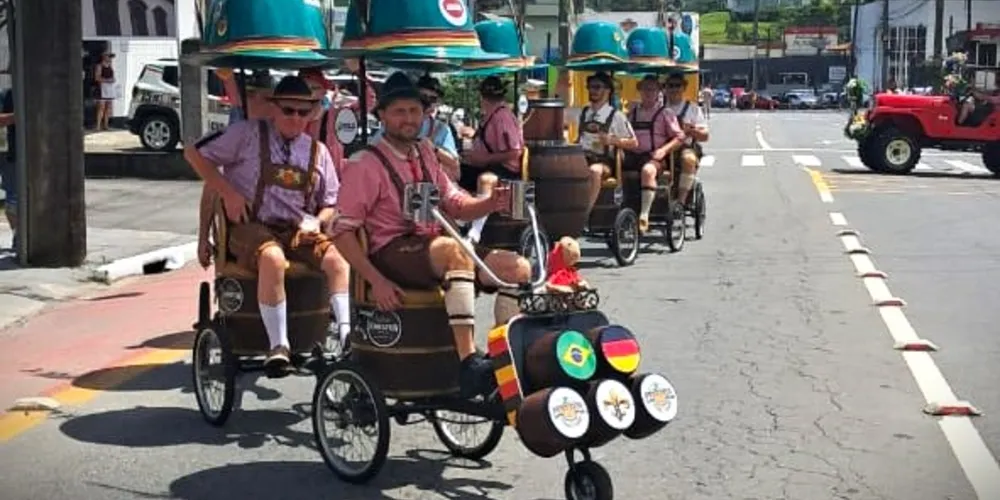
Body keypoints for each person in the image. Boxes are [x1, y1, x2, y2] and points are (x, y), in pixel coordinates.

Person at [330, 72, 532, 398]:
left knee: (517, 268)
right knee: (453, 251)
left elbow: (455, 203)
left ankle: (503, 359)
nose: (409, 118)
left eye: (414, 111)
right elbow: (341, 233)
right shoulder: (364, 163)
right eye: (399, 111)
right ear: (381, 115)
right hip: (392, 252)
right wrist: (374, 280)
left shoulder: (426, 152)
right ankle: (469, 362)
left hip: (433, 247)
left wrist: (490, 202)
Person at [184, 75, 352, 369]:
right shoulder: (246, 134)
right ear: (274, 109)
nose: (295, 118)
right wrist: (230, 194)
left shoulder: (318, 151)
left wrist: (317, 221)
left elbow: (332, 203)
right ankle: (279, 345)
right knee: (273, 258)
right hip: (250, 227)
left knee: (338, 261)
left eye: (303, 112)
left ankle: (347, 336)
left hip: (297, 228)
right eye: (288, 110)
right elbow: (195, 154)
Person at [558, 71, 638, 218]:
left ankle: (585, 214)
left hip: (604, 161)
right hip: (581, 158)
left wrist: (613, 141)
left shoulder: (616, 116)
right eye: (590, 87)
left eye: (597, 87)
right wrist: (561, 86)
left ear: (608, 90)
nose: (592, 90)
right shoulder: (582, 112)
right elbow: (559, 115)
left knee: (594, 170)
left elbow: (634, 142)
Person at [623, 75, 685, 233]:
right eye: (645, 89)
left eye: (652, 89)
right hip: (631, 155)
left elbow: (680, 137)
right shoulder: (631, 112)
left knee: (647, 171)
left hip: (653, 157)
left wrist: (663, 150)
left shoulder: (666, 113)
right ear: (639, 90)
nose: (648, 92)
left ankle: (644, 215)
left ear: (659, 91)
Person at [373, 74, 460, 180]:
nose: (409, 119)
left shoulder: (442, 129)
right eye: (423, 98)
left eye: (432, 99)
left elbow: (456, 172)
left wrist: (432, 149)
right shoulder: (392, 127)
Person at [662, 71, 709, 209]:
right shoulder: (659, 108)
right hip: (661, 147)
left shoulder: (693, 109)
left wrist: (691, 131)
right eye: (670, 86)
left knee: (689, 159)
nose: (674, 89)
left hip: (685, 147)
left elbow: (705, 135)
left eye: (677, 86)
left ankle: (681, 202)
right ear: (665, 88)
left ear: (684, 87)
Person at [1, 88, 16, 250]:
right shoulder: (7, 95)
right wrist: (15, 117)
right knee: (13, 201)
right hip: (11, 154)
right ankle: (18, 235)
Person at [93, 53, 116, 131]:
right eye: (109, 57)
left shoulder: (110, 66)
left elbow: (113, 77)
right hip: (101, 89)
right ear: (104, 57)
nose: (110, 59)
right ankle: (98, 126)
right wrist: (107, 80)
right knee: (101, 107)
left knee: (108, 107)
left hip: (109, 89)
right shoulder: (99, 66)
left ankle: (106, 125)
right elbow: (97, 78)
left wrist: (112, 80)